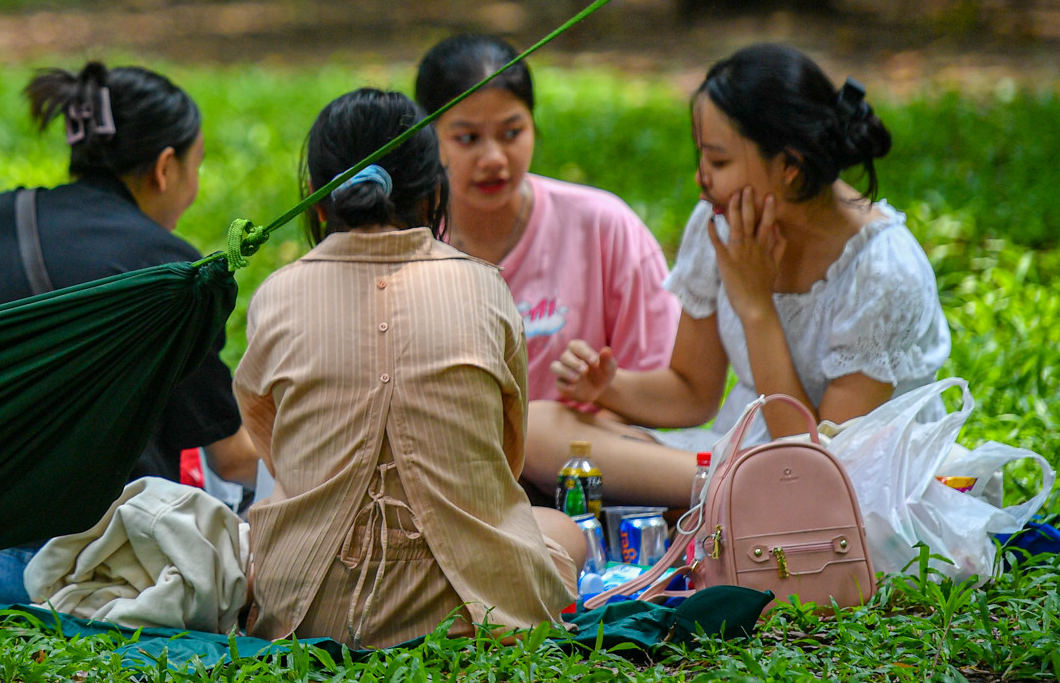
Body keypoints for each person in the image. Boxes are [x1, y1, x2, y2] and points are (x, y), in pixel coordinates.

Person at [0, 62, 256, 606]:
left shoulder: (7, 217)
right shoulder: (172, 271)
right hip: (87, 566)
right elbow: (231, 457)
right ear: (165, 167)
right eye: (197, 166)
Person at [234, 88, 581, 647]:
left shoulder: (277, 295)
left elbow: (277, 450)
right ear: (431, 196)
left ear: (317, 203)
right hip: (482, 616)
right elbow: (507, 455)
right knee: (562, 530)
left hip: (310, 616)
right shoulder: (483, 286)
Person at [536, 44, 950, 505]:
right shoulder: (721, 223)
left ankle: (704, 500)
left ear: (790, 166)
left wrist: (757, 308)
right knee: (538, 430)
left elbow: (823, 467)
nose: (700, 179)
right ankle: (715, 496)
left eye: (718, 162)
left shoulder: (884, 273)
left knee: (793, 491)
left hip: (849, 489)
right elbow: (693, 393)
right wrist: (610, 388)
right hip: (740, 457)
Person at [415, 34, 679, 489]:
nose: (494, 158)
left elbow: (670, 396)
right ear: (428, 140)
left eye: (511, 132)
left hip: (588, 478)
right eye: (467, 138)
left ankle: (730, 487)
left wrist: (606, 389)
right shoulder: (405, 241)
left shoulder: (603, 224)